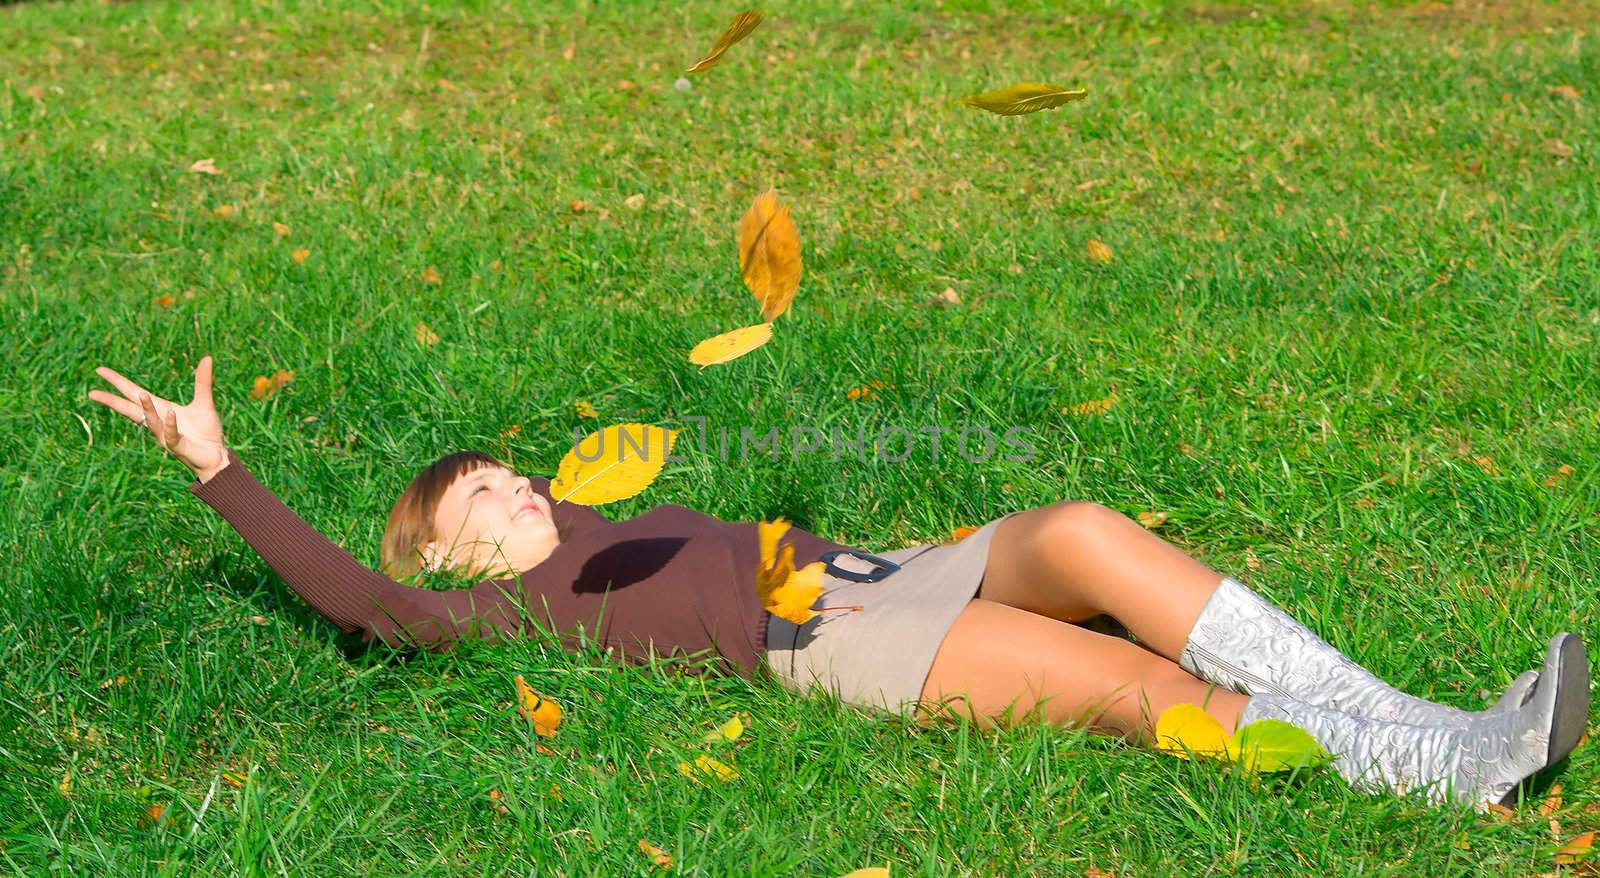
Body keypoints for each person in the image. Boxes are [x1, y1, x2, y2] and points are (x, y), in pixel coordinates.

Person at [88, 354, 1591, 810]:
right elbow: (355, 603)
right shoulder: (482, 611)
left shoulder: (606, 515)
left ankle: (1417, 714)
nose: (521, 483)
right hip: (834, 637)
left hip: (884, 570)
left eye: (516, 469)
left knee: (1076, 525)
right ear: (441, 550)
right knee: (1141, 696)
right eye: (485, 490)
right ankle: (1442, 770)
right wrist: (217, 466)